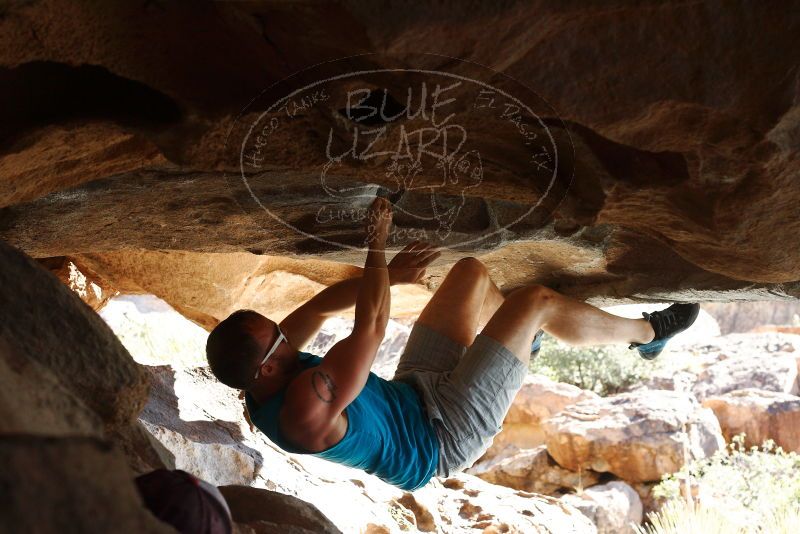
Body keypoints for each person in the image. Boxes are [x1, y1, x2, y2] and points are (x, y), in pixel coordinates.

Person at [206, 197, 699, 491]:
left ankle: (520, 350)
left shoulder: (262, 369)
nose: (284, 333)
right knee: (534, 302)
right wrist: (377, 245)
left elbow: (316, 309)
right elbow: (370, 328)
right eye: (277, 338)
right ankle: (650, 334)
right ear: (267, 369)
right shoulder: (304, 409)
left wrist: (395, 276)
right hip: (444, 439)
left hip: (413, 393)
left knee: (471, 274)